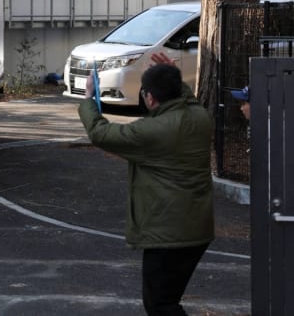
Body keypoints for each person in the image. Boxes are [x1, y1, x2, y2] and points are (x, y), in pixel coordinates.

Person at [78, 53, 214, 316]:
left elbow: (101, 134)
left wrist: (88, 99)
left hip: (168, 233)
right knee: (167, 298)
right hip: (196, 227)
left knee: (160, 303)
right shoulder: (199, 117)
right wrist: (172, 76)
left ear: (150, 98)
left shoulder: (153, 131)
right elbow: (189, 100)